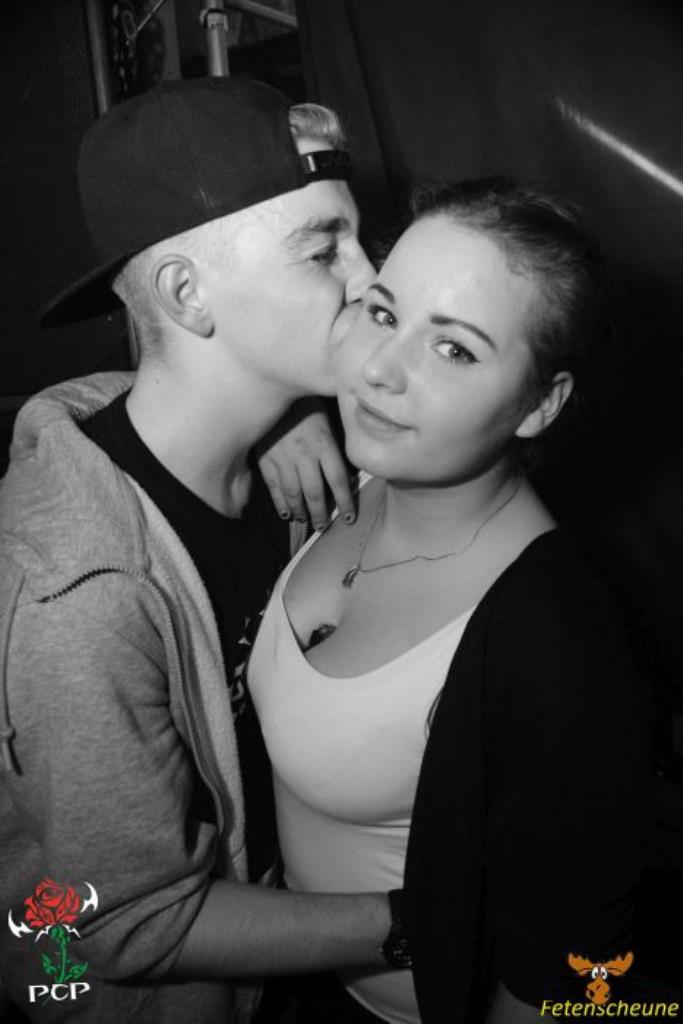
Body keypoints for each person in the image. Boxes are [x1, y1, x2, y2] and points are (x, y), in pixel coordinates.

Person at [0, 77, 402, 1024]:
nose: (371, 277)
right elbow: (134, 925)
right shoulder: (77, 592)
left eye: (360, 238)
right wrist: (431, 916)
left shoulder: (291, 448)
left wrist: (292, 411)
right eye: (324, 250)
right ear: (187, 294)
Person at [248, 178, 653, 1023]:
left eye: (455, 350)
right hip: (282, 974)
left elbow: (567, 979)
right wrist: (276, 416)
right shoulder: (353, 469)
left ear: (540, 403)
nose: (379, 370)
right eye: (384, 313)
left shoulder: (553, 648)